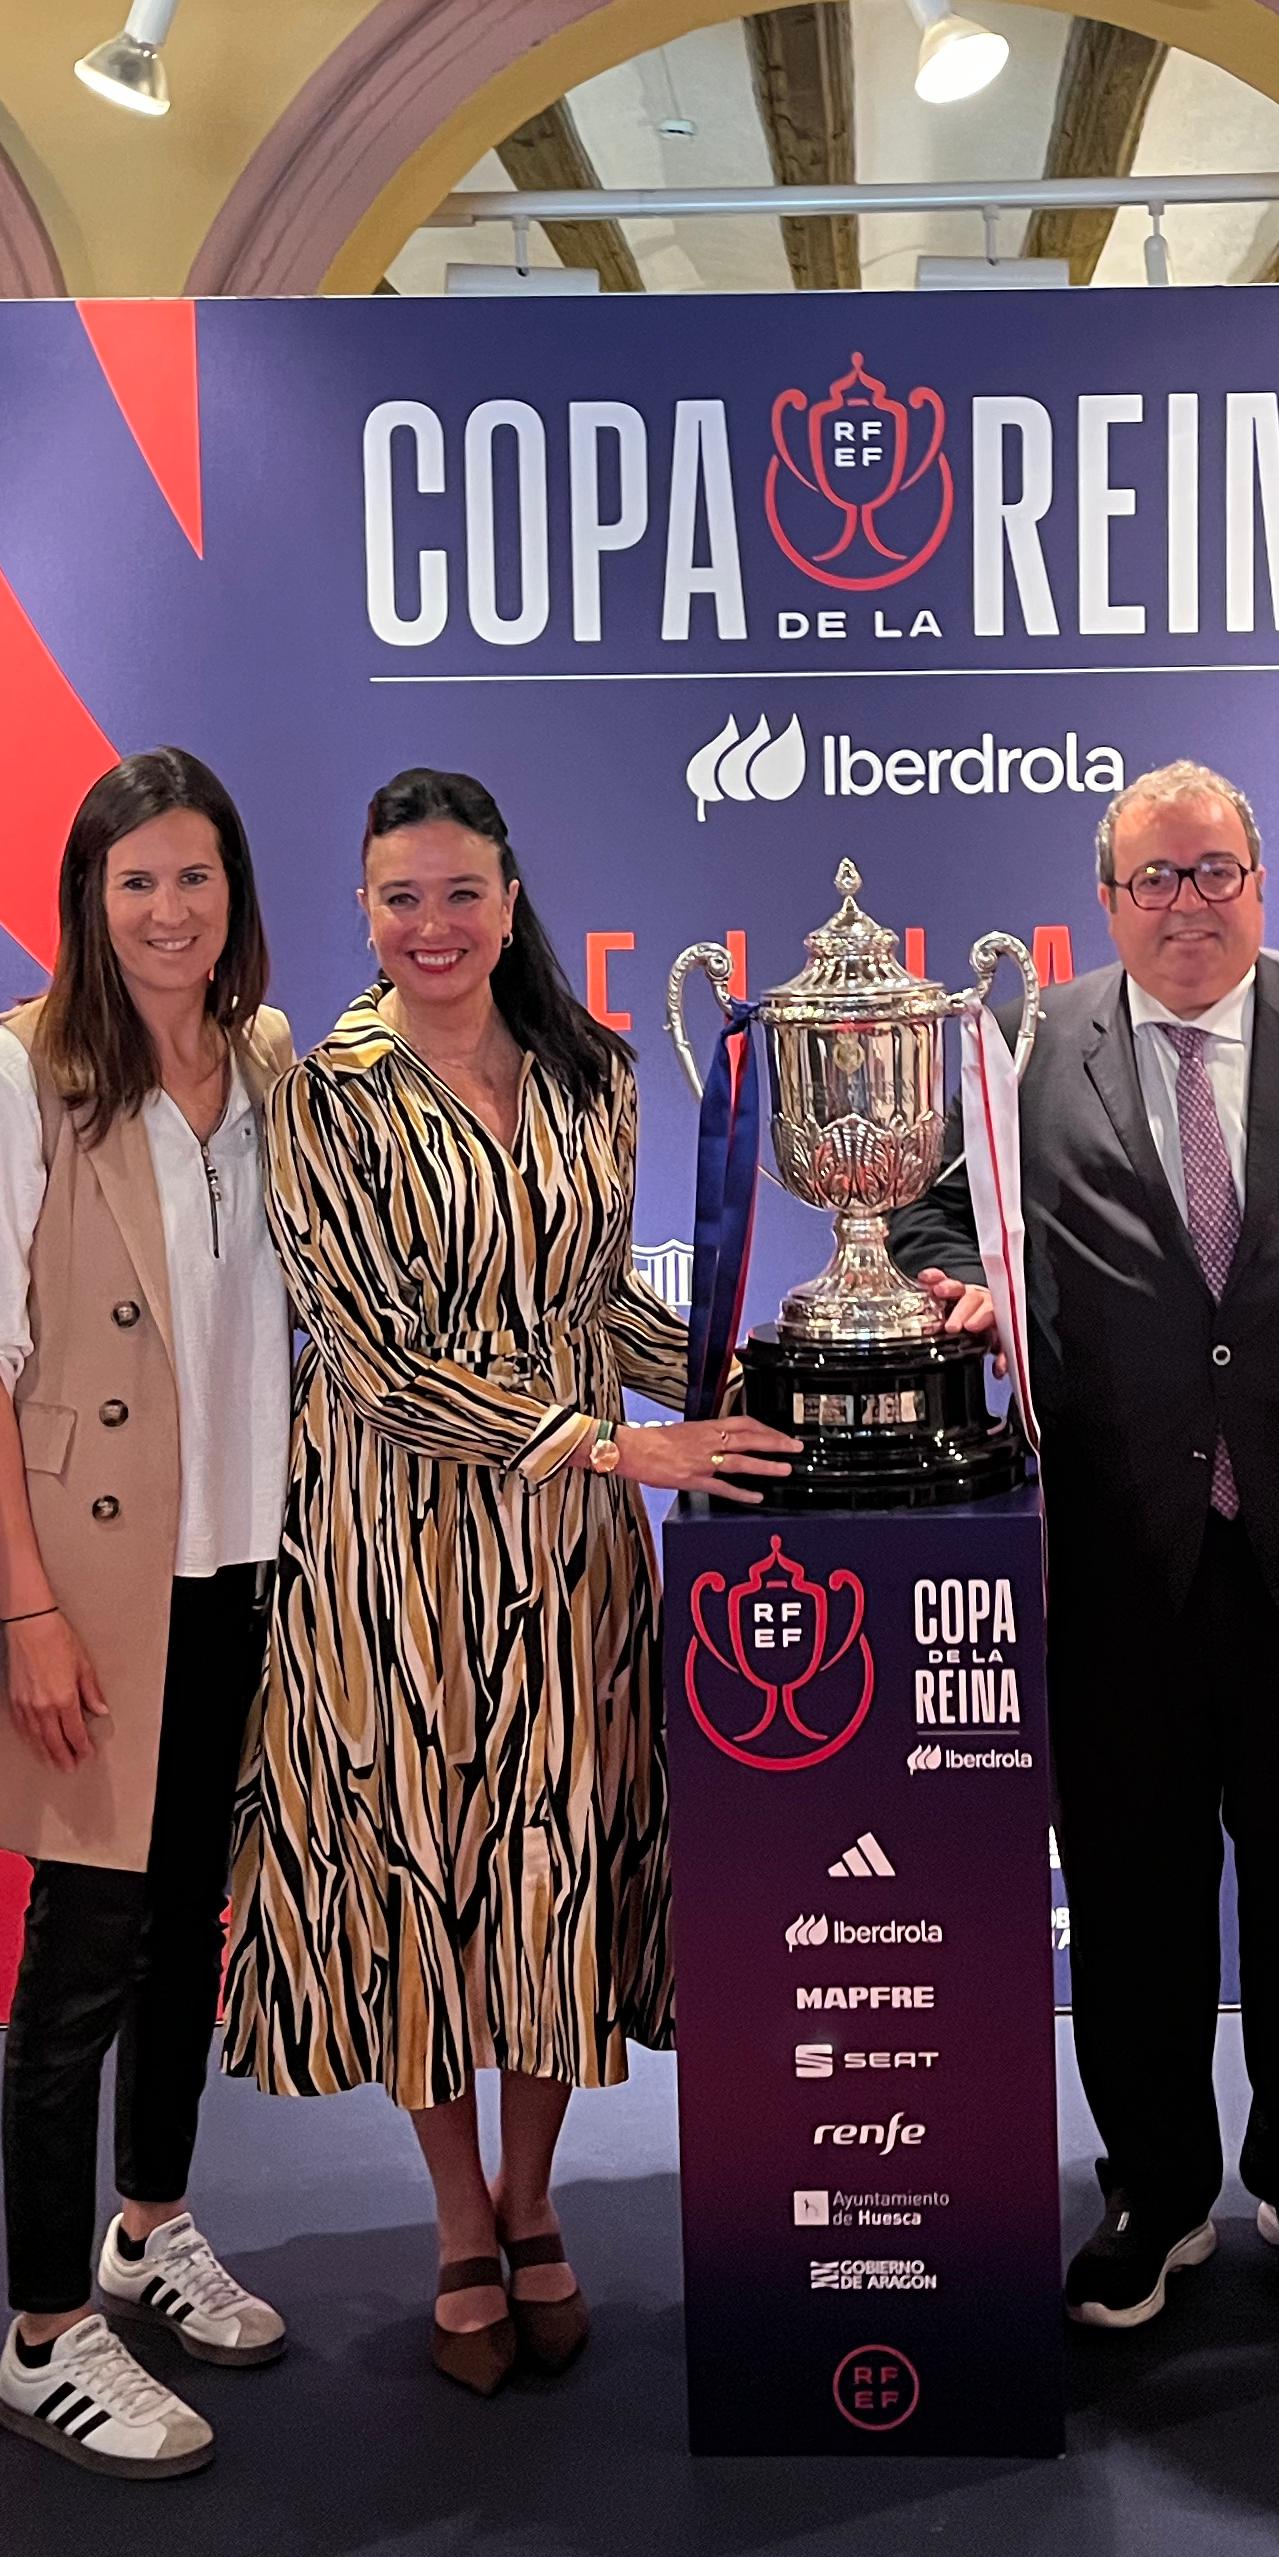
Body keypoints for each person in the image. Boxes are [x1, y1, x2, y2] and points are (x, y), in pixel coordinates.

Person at [225, 768, 796, 2394]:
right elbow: (375, 1357)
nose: (432, 928)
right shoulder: (326, 1095)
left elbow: (596, 1301)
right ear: (362, 910)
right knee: (426, 1866)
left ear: (513, 895)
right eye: (400, 898)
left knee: (550, 1867)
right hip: (388, 1551)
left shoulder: (592, 1068)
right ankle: (456, 2213)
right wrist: (624, 1451)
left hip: (563, 1559)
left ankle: (534, 2195)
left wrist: (739, 1381)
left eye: (460, 892)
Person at [899, 759, 1279, 2331]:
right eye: (1153, 880)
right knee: (1139, 1900)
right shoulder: (1032, 1045)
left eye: (1214, 871)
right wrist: (969, 1291)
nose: (1186, 906)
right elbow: (934, 1218)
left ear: (1260, 881)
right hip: (1113, 1560)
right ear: (1106, 902)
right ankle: (1155, 2189)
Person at [0, 750, 295, 2479]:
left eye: (196, 878)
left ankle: (147, 2226)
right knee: (74, 1962)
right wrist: (28, 1611)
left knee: (185, 1930)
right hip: (90, 1582)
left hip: (241, 1565)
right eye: (136, 880)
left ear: (235, 893)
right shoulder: (25, 1071)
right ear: (88, 896)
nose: (169, 911)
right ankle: (41, 2335)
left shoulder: (273, 1063)